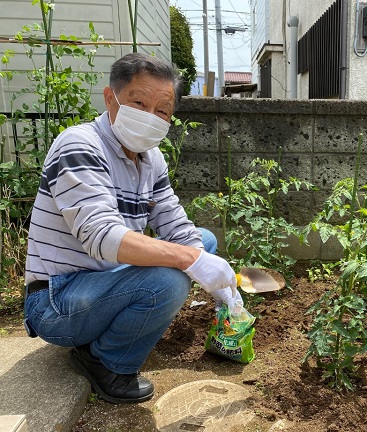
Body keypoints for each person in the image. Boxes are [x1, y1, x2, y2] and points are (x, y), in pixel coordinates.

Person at [23, 53, 242, 404]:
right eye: (138, 103)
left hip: (105, 286)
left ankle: (112, 331)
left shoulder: (151, 159)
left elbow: (173, 222)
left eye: (162, 111)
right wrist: (192, 262)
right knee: (168, 280)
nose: (149, 118)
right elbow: (101, 236)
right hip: (57, 301)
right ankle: (105, 361)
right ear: (111, 99)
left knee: (204, 241)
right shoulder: (80, 145)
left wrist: (216, 276)